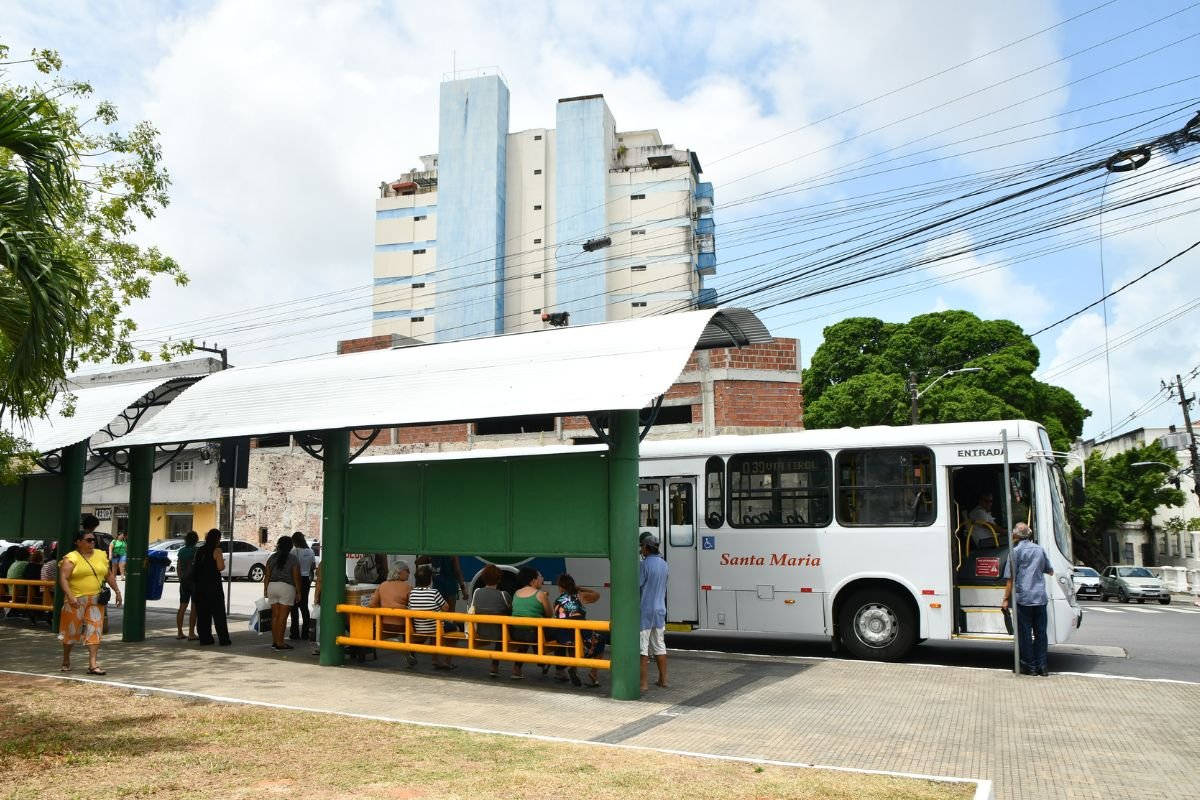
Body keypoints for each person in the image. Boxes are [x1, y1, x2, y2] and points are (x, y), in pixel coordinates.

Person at [58, 527, 122, 675]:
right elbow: (64, 579)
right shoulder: (71, 558)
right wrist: (70, 596)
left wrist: (117, 592)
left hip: (96, 599)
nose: (92, 542)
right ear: (78, 542)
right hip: (76, 599)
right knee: (71, 631)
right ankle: (66, 659)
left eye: (94, 540)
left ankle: (93, 665)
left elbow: (108, 575)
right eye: (88, 540)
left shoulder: (100, 555)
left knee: (95, 630)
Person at [1001, 522, 1054, 677]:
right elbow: (1050, 571)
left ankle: (1029, 667)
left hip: (1023, 598)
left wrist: (1005, 599)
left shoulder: (1015, 552)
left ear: (1015, 535)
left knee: (1024, 634)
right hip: (1040, 597)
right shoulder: (1040, 549)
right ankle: (1042, 667)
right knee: (1041, 634)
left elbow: (1010, 578)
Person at [551, 573, 603, 688]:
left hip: (564, 636)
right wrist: (580, 588)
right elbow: (597, 595)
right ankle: (593, 673)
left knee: (572, 642)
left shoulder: (556, 600)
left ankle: (573, 667)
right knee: (600, 640)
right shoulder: (580, 595)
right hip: (581, 631)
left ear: (561, 587)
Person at [468, 564, 512, 677]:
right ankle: (496, 665)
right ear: (499, 579)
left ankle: (494, 666)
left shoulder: (477, 592)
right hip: (500, 634)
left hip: (481, 632)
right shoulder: (504, 595)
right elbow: (511, 611)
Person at [407, 564, 455, 670]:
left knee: (433, 630)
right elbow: (446, 607)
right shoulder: (434, 593)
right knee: (454, 628)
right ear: (430, 580)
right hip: (435, 627)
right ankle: (445, 661)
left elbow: (410, 609)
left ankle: (415, 652)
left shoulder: (412, 593)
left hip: (419, 628)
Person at [509, 566, 551, 680]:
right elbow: (549, 614)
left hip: (515, 633)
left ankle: (517, 669)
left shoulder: (516, 593)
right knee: (556, 634)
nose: (542, 579)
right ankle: (557, 668)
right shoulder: (540, 594)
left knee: (526, 637)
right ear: (533, 580)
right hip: (534, 634)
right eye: (540, 577)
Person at [192, 529, 232, 647]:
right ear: (217, 539)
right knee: (218, 613)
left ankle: (205, 638)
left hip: (200, 586)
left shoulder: (200, 550)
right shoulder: (217, 550)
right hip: (213, 586)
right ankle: (223, 639)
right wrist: (222, 561)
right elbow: (220, 567)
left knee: (203, 614)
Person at [370, 561, 416, 664]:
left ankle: (394, 642)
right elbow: (414, 606)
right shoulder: (408, 588)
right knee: (411, 624)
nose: (409, 573)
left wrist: (383, 609)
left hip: (384, 624)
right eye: (407, 570)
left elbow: (372, 604)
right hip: (402, 625)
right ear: (399, 572)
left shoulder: (382, 585)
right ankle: (411, 652)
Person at [639, 534, 669, 691]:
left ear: (646, 547)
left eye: (641, 546)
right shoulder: (664, 564)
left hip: (645, 611)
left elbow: (637, 585)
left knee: (642, 649)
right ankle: (663, 679)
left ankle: (643, 683)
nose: (641, 549)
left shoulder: (644, 565)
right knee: (659, 645)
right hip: (660, 610)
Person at [264, 535, 302, 652]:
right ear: (290, 546)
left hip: (272, 586)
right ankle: (280, 643)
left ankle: (275, 642)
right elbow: (296, 577)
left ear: (278, 545)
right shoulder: (293, 559)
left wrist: (265, 589)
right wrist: (298, 592)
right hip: (286, 587)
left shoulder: (272, 558)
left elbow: (267, 575)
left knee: (275, 616)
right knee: (283, 617)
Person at [289, 532, 316, 641]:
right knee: (304, 606)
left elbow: (291, 566)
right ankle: (305, 633)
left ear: (295, 541)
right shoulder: (311, 551)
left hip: (295, 579)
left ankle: (294, 633)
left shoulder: (293, 552)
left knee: (294, 607)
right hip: (306, 579)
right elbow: (313, 566)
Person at [175, 531, 200, 640]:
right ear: (196, 540)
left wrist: (181, 579)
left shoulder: (181, 551)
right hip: (194, 582)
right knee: (194, 607)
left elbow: (179, 567)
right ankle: (191, 633)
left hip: (184, 581)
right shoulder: (197, 551)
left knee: (182, 606)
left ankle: (179, 632)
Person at [5, 546, 30, 614]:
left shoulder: (13, 563)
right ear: (27, 556)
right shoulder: (25, 564)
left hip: (11, 591)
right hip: (20, 591)